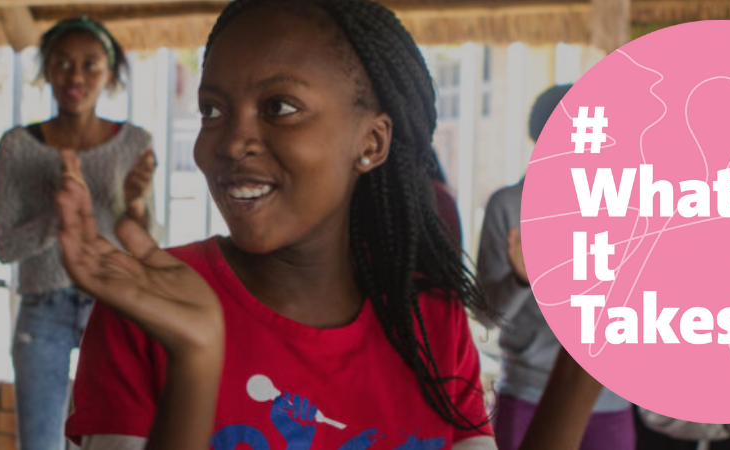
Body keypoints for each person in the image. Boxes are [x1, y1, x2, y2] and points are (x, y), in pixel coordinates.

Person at [58, 0, 494, 448]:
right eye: (212, 111)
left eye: (279, 107)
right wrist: (195, 359)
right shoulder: (148, 309)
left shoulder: (430, 319)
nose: (232, 143)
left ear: (371, 142)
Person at [0, 16, 155, 450]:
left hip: (114, 304)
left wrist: (135, 204)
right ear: (46, 69)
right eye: (62, 63)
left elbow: (146, 244)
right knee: (40, 441)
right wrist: (61, 215)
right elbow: (4, 246)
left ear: (110, 72)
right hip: (42, 307)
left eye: (90, 64)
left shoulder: (134, 142)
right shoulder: (17, 146)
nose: (75, 76)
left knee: (117, 440)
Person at [477, 84, 636, 450]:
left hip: (610, 399)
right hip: (527, 393)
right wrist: (522, 280)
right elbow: (485, 316)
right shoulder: (509, 206)